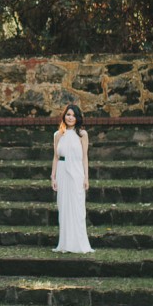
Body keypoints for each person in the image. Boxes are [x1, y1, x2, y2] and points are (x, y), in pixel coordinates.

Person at [50, 103, 94, 253]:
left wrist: (86, 178)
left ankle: (79, 243)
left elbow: (85, 157)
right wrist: (53, 177)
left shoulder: (82, 134)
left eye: (74, 115)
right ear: (64, 116)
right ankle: (65, 244)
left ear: (77, 118)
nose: (70, 117)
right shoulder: (58, 135)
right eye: (68, 114)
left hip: (77, 172)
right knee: (64, 207)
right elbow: (55, 157)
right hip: (62, 172)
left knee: (77, 207)